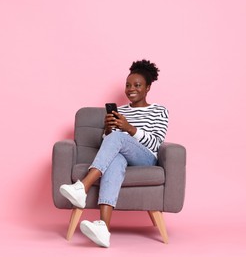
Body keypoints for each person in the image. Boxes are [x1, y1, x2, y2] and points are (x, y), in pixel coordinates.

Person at [59, 59, 169, 248]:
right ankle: (103, 229)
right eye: (128, 85)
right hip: (122, 154)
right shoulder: (121, 111)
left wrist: (129, 128)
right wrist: (108, 130)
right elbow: (107, 146)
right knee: (115, 159)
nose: (131, 89)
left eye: (137, 85)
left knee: (119, 137)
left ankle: (82, 187)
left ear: (148, 87)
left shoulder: (159, 111)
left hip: (146, 157)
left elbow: (156, 142)